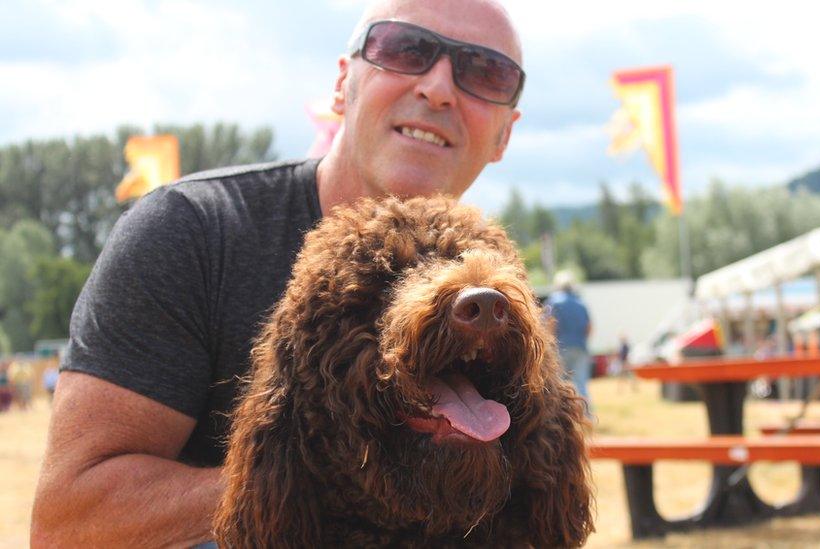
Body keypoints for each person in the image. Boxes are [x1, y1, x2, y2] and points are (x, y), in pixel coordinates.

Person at [30, 1, 524, 546]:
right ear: (342, 85)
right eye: (406, 49)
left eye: (485, 72)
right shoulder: (194, 233)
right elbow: (68, 524)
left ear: (504, 135)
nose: (438, 88)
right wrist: (323, 472)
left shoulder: (498, 288)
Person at [546, 270, 593, 412]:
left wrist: (550, 347)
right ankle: (586, 416)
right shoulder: (581, 303)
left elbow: (550, 325)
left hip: (560, 349)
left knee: (558, 385)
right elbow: (589, 328)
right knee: (581, 383)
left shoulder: (554, 301)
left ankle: (560, 417)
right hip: (580, 348)